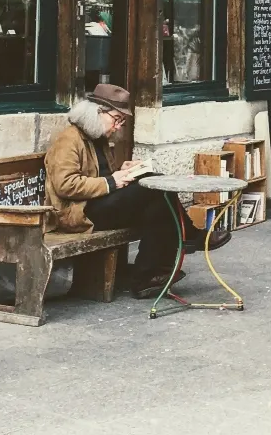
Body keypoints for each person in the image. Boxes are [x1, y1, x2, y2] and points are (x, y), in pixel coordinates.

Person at [44, 84, 180, 298]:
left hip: (100, 204)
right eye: (116, 119)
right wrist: (112, 181)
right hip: (79, 213)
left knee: (158, 201)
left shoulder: (98, 139)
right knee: (156, 188)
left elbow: (99, 174)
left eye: (121, 122)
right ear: (97, 112)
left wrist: (122, 171)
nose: (118, 127)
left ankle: (147, 277)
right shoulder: (69, 140)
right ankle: (184, 238)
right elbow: (65, 184)